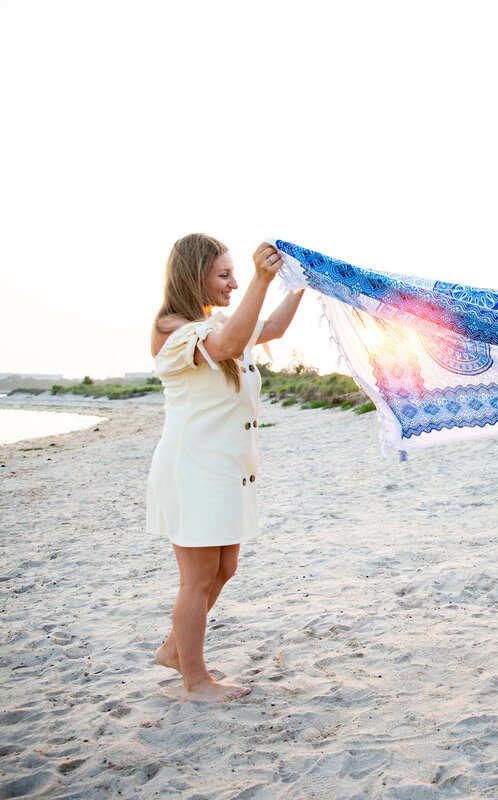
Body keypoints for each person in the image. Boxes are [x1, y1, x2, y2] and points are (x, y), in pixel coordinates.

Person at [147, 234, 304, 702]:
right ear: (194, 275)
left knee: (225, 567)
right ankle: (195, 680)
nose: (234, 282)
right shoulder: (172, 328)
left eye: (236, 273)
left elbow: (271, 326)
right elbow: (231, 343)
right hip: (192, 467)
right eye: (224, 274)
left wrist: (301, 281)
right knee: (197, 578)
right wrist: (261, 277)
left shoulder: (213, 322)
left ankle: (177, 649)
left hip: (224, 467)